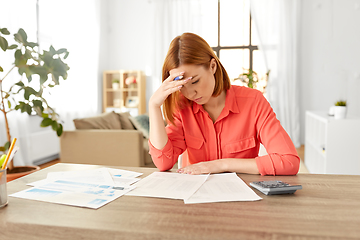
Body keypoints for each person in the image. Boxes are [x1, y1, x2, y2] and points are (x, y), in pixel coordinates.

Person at [148, 32, 300, 176]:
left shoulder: (253, 102)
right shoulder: (182, 107)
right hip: (195, 197)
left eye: (195, 81)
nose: (190, 94)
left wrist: (221, 165)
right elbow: (163, 163)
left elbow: (288, 161)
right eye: (182, 86)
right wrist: (154, 106)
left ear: (212, 66)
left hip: (240, 196)